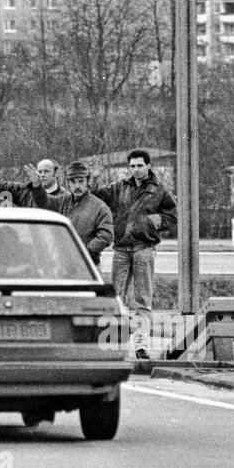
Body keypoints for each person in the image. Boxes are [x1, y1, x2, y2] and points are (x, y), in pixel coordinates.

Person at [95, 149, 178, 359]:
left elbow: (172, 215)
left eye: (140, 165)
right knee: (116, 297)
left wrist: (152, 222)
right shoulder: (121, 187)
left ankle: (141, 345)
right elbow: (98, 197)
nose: (136, 170)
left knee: (142, 300)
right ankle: (112, 343)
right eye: (132, 166)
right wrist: (94, 180)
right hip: (121, 249)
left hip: (144, 248)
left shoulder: (159, 189)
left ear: (148, 166)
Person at [31, 161, 114, 268]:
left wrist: (85, 251)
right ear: (68, 184)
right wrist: (37, 187)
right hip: (62, 264)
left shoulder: (100, 207)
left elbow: (106, 235)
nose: (77, 186)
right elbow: (44, 202)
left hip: (88, 266)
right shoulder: (63, 200)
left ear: (87, 182)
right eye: (73, 182)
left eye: (81, 181)